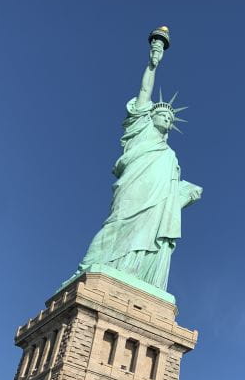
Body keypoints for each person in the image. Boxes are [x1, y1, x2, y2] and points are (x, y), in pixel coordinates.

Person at [71, 31, 202, 291]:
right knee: (117, 224)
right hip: (133, 188)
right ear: (150, 115)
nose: (167, 118)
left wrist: (183, 194)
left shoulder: (169, 155)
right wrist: (153, 63)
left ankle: (139, 278)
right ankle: (89, 268)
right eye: (162, 113)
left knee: (151, 234)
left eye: (170, 118)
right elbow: (145, 90)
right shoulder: (139, 129)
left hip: (157, 202)